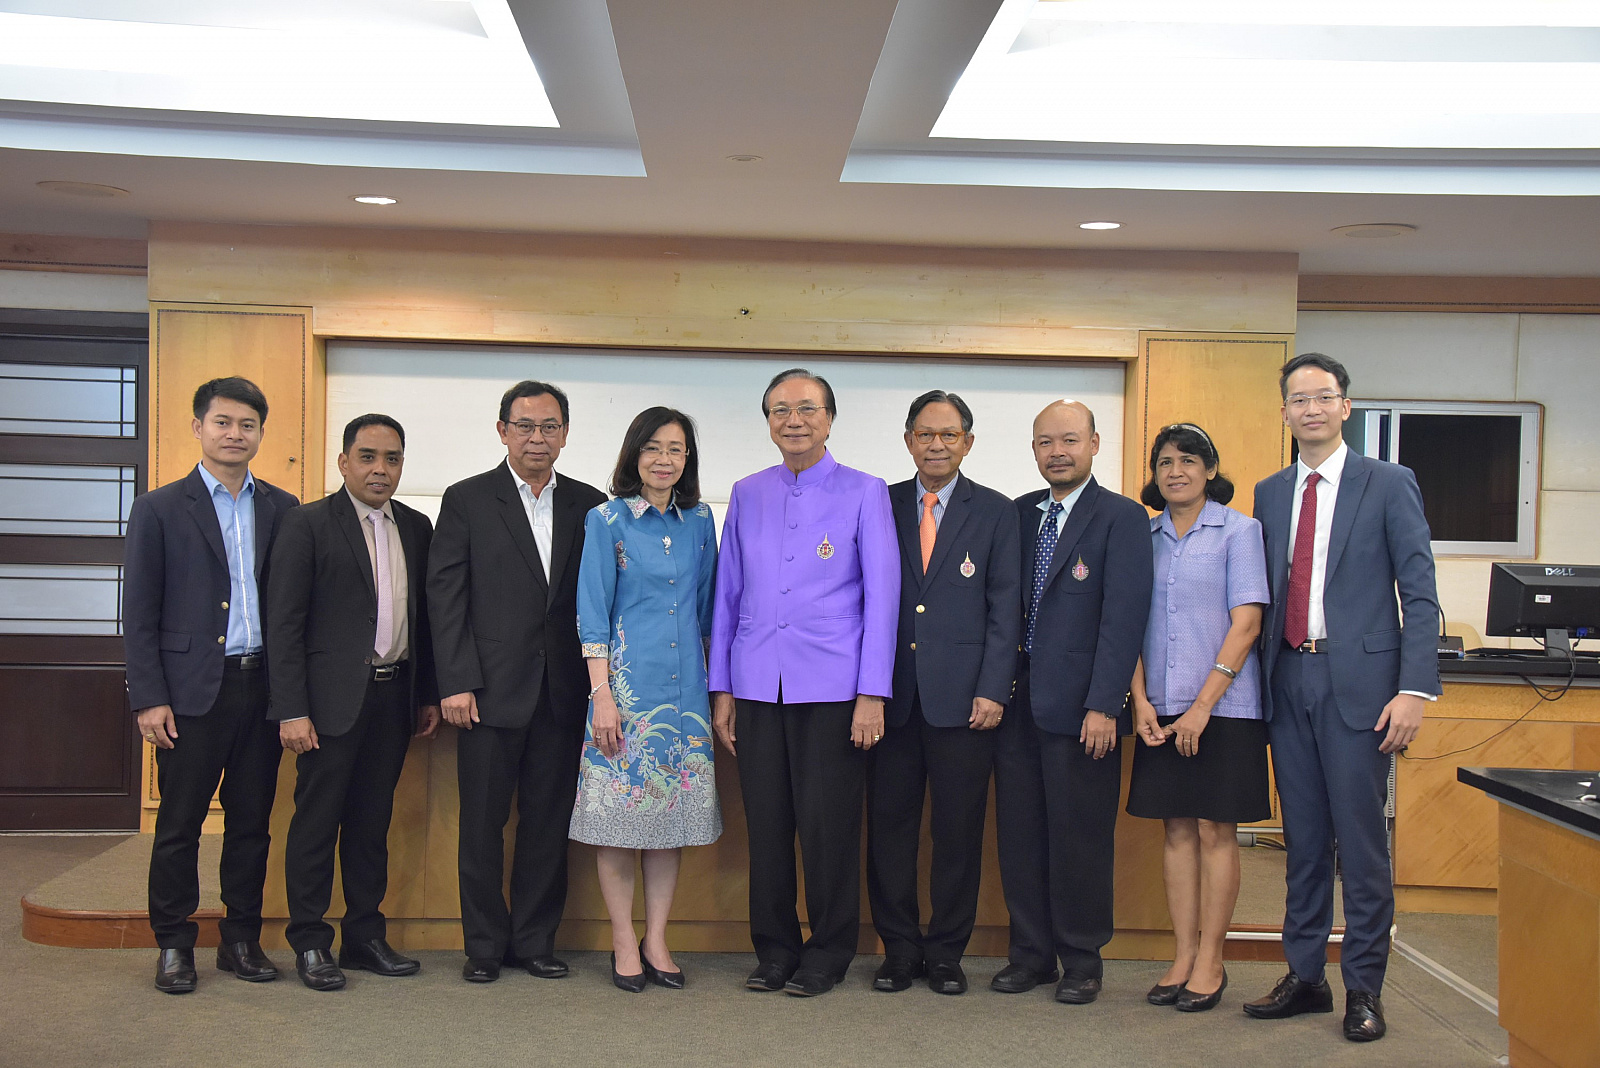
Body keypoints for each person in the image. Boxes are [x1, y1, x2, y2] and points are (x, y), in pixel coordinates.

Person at [1244, 353, 1440, 1042]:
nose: (1312, 409)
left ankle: (1363, 987)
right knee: (1301, 842)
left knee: (1360, 845)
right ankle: (1305, 976)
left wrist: (1414, 688)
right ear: (1284, 412)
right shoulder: (1271, 492)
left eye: (1323, 397)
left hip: (1360, 687)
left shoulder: (1388, 482)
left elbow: (1420, 593)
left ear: (1345, 406)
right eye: (1299, 400)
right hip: (1287, 678)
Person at [709, 367, 899, 998]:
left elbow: (883, 598)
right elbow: (728, 594)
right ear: (767, 421)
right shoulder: (747, 492)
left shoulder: (865, 491)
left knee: (828, 829)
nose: (794, 420)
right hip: (757, 683)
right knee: (766, 828)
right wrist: (722, 688)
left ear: (830, 419)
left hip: (835, 689)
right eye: (780, 410)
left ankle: (828, 952)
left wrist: (872, 693)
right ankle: (774, 950)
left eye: (807, 409)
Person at [427, 380, 606, 983]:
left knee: (547, 825)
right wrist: (455, 681)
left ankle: (534, 941)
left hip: (562, 694)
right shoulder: (467, 499)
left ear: (565, 434)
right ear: (502, 431)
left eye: (549, 426)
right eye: (525, 426)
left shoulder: (589, 504)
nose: (537, 437)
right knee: (481, 826)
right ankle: (482, 946)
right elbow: (446, 596)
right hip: (485, 694)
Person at [123, 377, 299, 994]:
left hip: (262, 688)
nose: (234, 434)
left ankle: (240, 940)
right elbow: (139, 612)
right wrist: (149, 697)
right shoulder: (159, 508)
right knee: (180, 825)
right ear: (198, 428)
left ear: (260, 434)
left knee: (252, 823)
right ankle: (173, 944)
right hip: (191, 693)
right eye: (223, 422)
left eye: (247, 425)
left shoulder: (283, 507)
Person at [267, 414, 441, 991]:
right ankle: (310, 941)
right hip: (327, 706)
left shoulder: (415, 526)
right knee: (317, 824)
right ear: (344, 462)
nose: (380, 469)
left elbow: (425, 621)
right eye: (367, 457)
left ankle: (365, 936)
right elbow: (284, 624)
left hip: (393, 699)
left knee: (372, 823)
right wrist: (291, 709)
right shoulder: (307, 523)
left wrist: (426, 694)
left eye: (392, 459)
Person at [991, 399, 1152, 1004]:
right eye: (1045, 442)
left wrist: (1105, 704)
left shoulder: (1122, 517)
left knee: (1080, 838)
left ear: (1094, 444)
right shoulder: (1018, 513)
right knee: (1020, 835)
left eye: (1069, 440)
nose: (1057, 452)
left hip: (1086, 708)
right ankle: (1030, 955)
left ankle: (1083, 959)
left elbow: (1124, 619)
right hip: (1016, 705)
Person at [867, 390, 1020, 996]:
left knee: (958, 833)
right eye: (925, 435)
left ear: (968, 443)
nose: (936, 445)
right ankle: (899, 950)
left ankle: (947, 953)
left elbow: (1006, 609)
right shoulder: (879, 502)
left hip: (966, 704)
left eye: (948, 435)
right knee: (890, 832)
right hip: (891, 699)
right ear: (908, 441)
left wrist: (994, 688)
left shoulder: (997, 511)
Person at [570, 407, 721, 992]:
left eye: (676, 449)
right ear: (634, 454)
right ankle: (620, 939)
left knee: (668, 822)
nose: (664, 459)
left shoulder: (700, 520)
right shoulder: (606, 519)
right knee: (618, 823)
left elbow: (708, 611)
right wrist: (601, 695)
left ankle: (656, 939)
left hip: (686, 696)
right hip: (624, 694)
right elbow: (592, 613)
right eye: (653, 447)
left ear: (688, 460)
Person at [1126, 423, 1270, 1013]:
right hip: (1159, 706)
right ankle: (1183, 955)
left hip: (1225, 709)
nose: (1176, 471)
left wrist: (1202, 707)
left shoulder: (1239, 531)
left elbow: (1247, 625)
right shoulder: (1143, 536)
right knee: (1177, 831)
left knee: (1215, 830)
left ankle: (1212, 958)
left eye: (1188, 460)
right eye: (1165, 462)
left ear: (1210, 470)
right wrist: (1139, 700)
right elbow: (1126, 625)